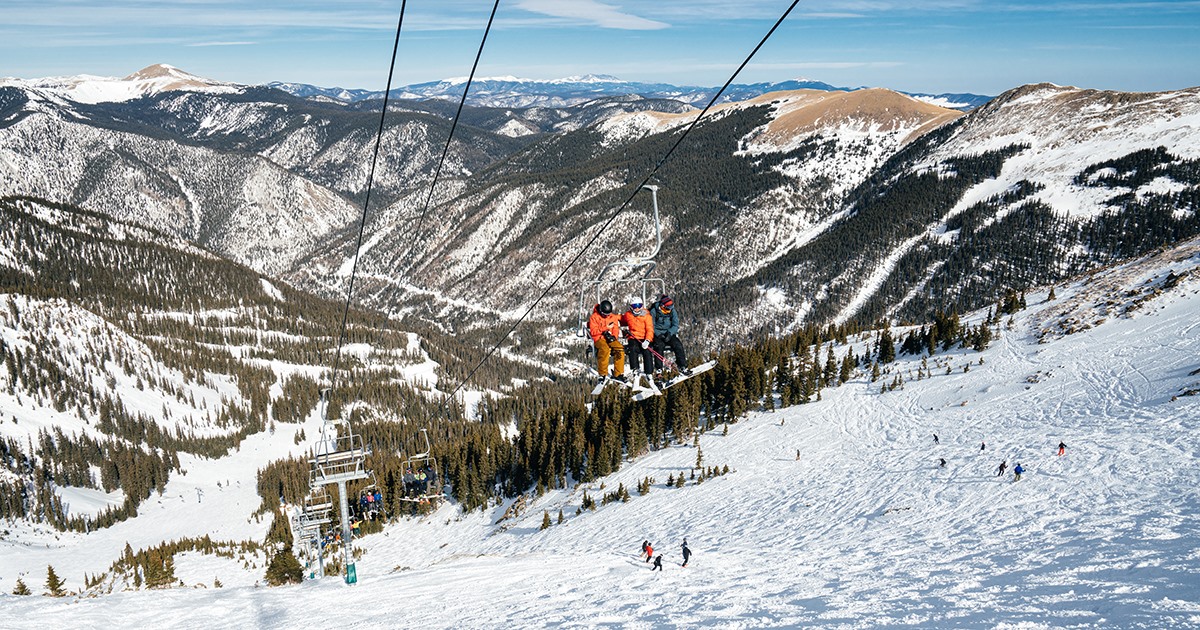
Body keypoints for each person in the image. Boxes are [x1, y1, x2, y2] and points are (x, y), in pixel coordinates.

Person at [650, 294, 691, 376]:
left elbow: (675, 324)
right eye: (668, 307)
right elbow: (651, 325)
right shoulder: (654, 311)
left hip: (668, 332)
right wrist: (658, 334)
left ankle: (682, 365)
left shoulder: (672, 311)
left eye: (671, 307)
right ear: (663, 306)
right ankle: (659, 369)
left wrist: (670, 333)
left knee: (677, 344)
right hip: (657, 333)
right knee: (659, 346)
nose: (670, 309)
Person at [588, 299, 625, 382]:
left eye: (608, 314)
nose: (607, 316)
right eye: (605, 314)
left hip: (610, 338)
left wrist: (614, 337)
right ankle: (602, 374)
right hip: (599, 338)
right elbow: (593, 332)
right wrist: (605, 328)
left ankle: (618, 374)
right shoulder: (594, 317)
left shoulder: (613, 317)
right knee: (605, 349)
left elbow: (615, 328)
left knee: (619, 349)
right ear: (601, 311)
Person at [621, 298, 655, 376]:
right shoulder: (628, 315)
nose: (637, 308)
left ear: (642, 306)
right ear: (631, 307)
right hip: (633, 337)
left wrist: (647, 340)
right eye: (634, 306)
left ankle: (649, 372)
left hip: (644, 337)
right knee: (632, 348)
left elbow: (649, 329)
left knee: (647, 351)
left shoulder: (646, 316)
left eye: (639, 306)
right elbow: (620, 319)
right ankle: (635, 369)